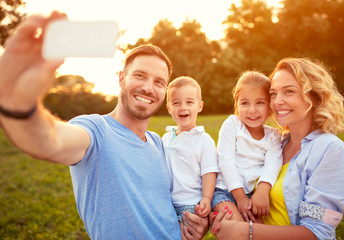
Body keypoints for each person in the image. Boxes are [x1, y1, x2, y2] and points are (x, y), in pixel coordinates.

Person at [0, 12, 208, 240]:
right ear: (121, 79)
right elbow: (49, 140)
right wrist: (18, 104)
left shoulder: (159, 143)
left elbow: (160, 207)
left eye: (159, 82)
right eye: (139, 76)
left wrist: (185, 228)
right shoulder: (95, 130)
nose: (149, 88)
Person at [211, 58, 344, 240]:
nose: (277, 101)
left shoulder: (330, 150)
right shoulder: (278, 143)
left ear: (313, 96)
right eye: (273, 94)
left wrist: (245, 231)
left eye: (289, 92)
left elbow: (317, 233)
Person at [211, 71, 283, 223]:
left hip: (253, 195)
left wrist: (263, 190)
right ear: (236, 104)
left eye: (260, 102)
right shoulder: (232, 125)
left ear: (269, 106)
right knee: (239, 229)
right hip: (225, 193)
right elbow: (226, 162)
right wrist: (240, 197)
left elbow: (273, 163)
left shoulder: (274, 136)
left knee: (259, 231)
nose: (252, 110)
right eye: (245, 103)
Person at [162, 76, 218, 239]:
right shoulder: (165, 138)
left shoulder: (203, 139)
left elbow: (209, 172)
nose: (182, 107)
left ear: (199, 106)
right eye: (176, 103)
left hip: (191, 205)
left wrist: (207, 199)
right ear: (168, 107)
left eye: (189, 102)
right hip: (167, 203)